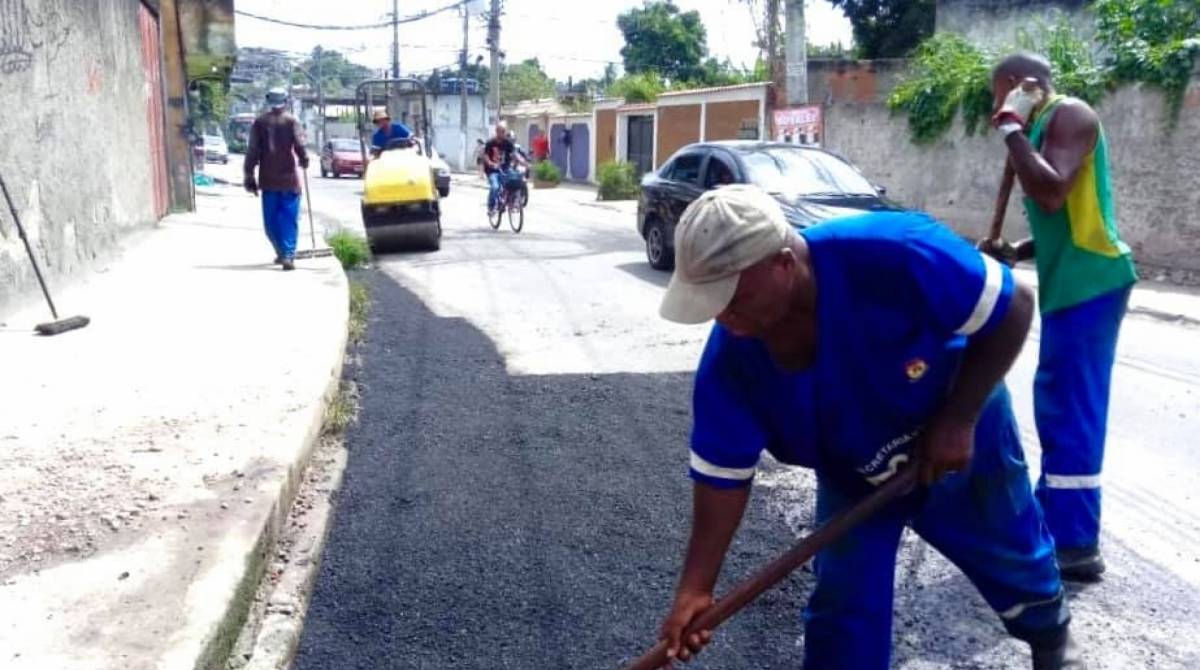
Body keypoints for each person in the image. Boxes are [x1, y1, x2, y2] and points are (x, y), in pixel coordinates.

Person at [653, 186, 1082, 669]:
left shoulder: (896, 252)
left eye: (731, 296)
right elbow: (722, 478)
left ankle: (1051, 638)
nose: (722, 315)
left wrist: (958, 419)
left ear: (783, 263)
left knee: (1008, 549)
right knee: (844, 595)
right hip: (853, 470)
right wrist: (696, 587)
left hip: (959, 427)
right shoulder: (732, 364)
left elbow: (1014, 305)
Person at [984, 52, 1137, 581]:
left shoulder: (1071, 115)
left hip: (1093, 282)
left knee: (1071, 409)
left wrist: (1011, 130)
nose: (992, 104)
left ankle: (1075, 543)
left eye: (994, 94)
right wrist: (1015, 252)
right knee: (1057, 403)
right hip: (1071, 282)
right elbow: (1065, 217)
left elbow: (1050, 193)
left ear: (1012, 86)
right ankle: (1055, 521)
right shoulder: (1046, 126)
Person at [243, 88, 308, 271]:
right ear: (286, 101)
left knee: (271, 221)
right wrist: (304, 160)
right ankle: (287, 254)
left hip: (268, 179)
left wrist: (249, 174)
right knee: (288, 218)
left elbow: (253, 151)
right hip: (289, 179)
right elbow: (300, 145)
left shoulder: (260, 123)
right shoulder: (292, 121)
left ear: (268, 101)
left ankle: (282, 252)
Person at [482, 122, 524, 215]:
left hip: (505, 168)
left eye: (504, 131)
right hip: (492, 170)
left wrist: (523, 162)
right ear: (497, 131)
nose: (504, 133)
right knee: (495, 187)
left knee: (515, 180)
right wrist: (490, 163)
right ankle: (491, 206)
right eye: (502, 131)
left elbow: (514, 154)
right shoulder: (490, 143)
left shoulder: (508, 143)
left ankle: (512, 201)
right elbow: (485, 156)